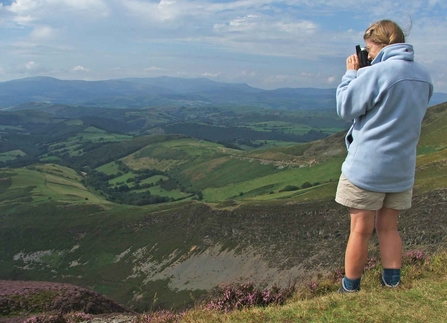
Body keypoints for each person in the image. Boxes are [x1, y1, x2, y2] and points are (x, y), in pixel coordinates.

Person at [335, 19, 433, 293]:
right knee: (389, 228)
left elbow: (345, 107)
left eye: (369, 49)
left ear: (380, 44)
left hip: (368, 167)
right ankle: (392, 282)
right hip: (402, 167)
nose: (367, 55)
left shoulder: (376, 73)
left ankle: (350, 287)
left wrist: (352, 74)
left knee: (360, 229)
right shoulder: (423, 75)